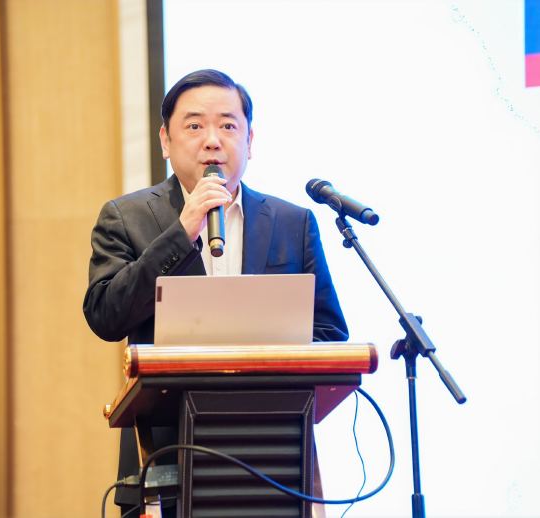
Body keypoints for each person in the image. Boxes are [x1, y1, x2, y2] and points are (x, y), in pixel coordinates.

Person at [83, 69, 348, 517]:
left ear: (250, 140)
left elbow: (329, 333)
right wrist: (180, 233)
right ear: (165, 141)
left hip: (274, 456)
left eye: (228, 125)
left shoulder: (293, 222)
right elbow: (105, 315)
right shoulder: (126, 217)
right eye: (194, 126)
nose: (212, 141)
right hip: (166, 458)